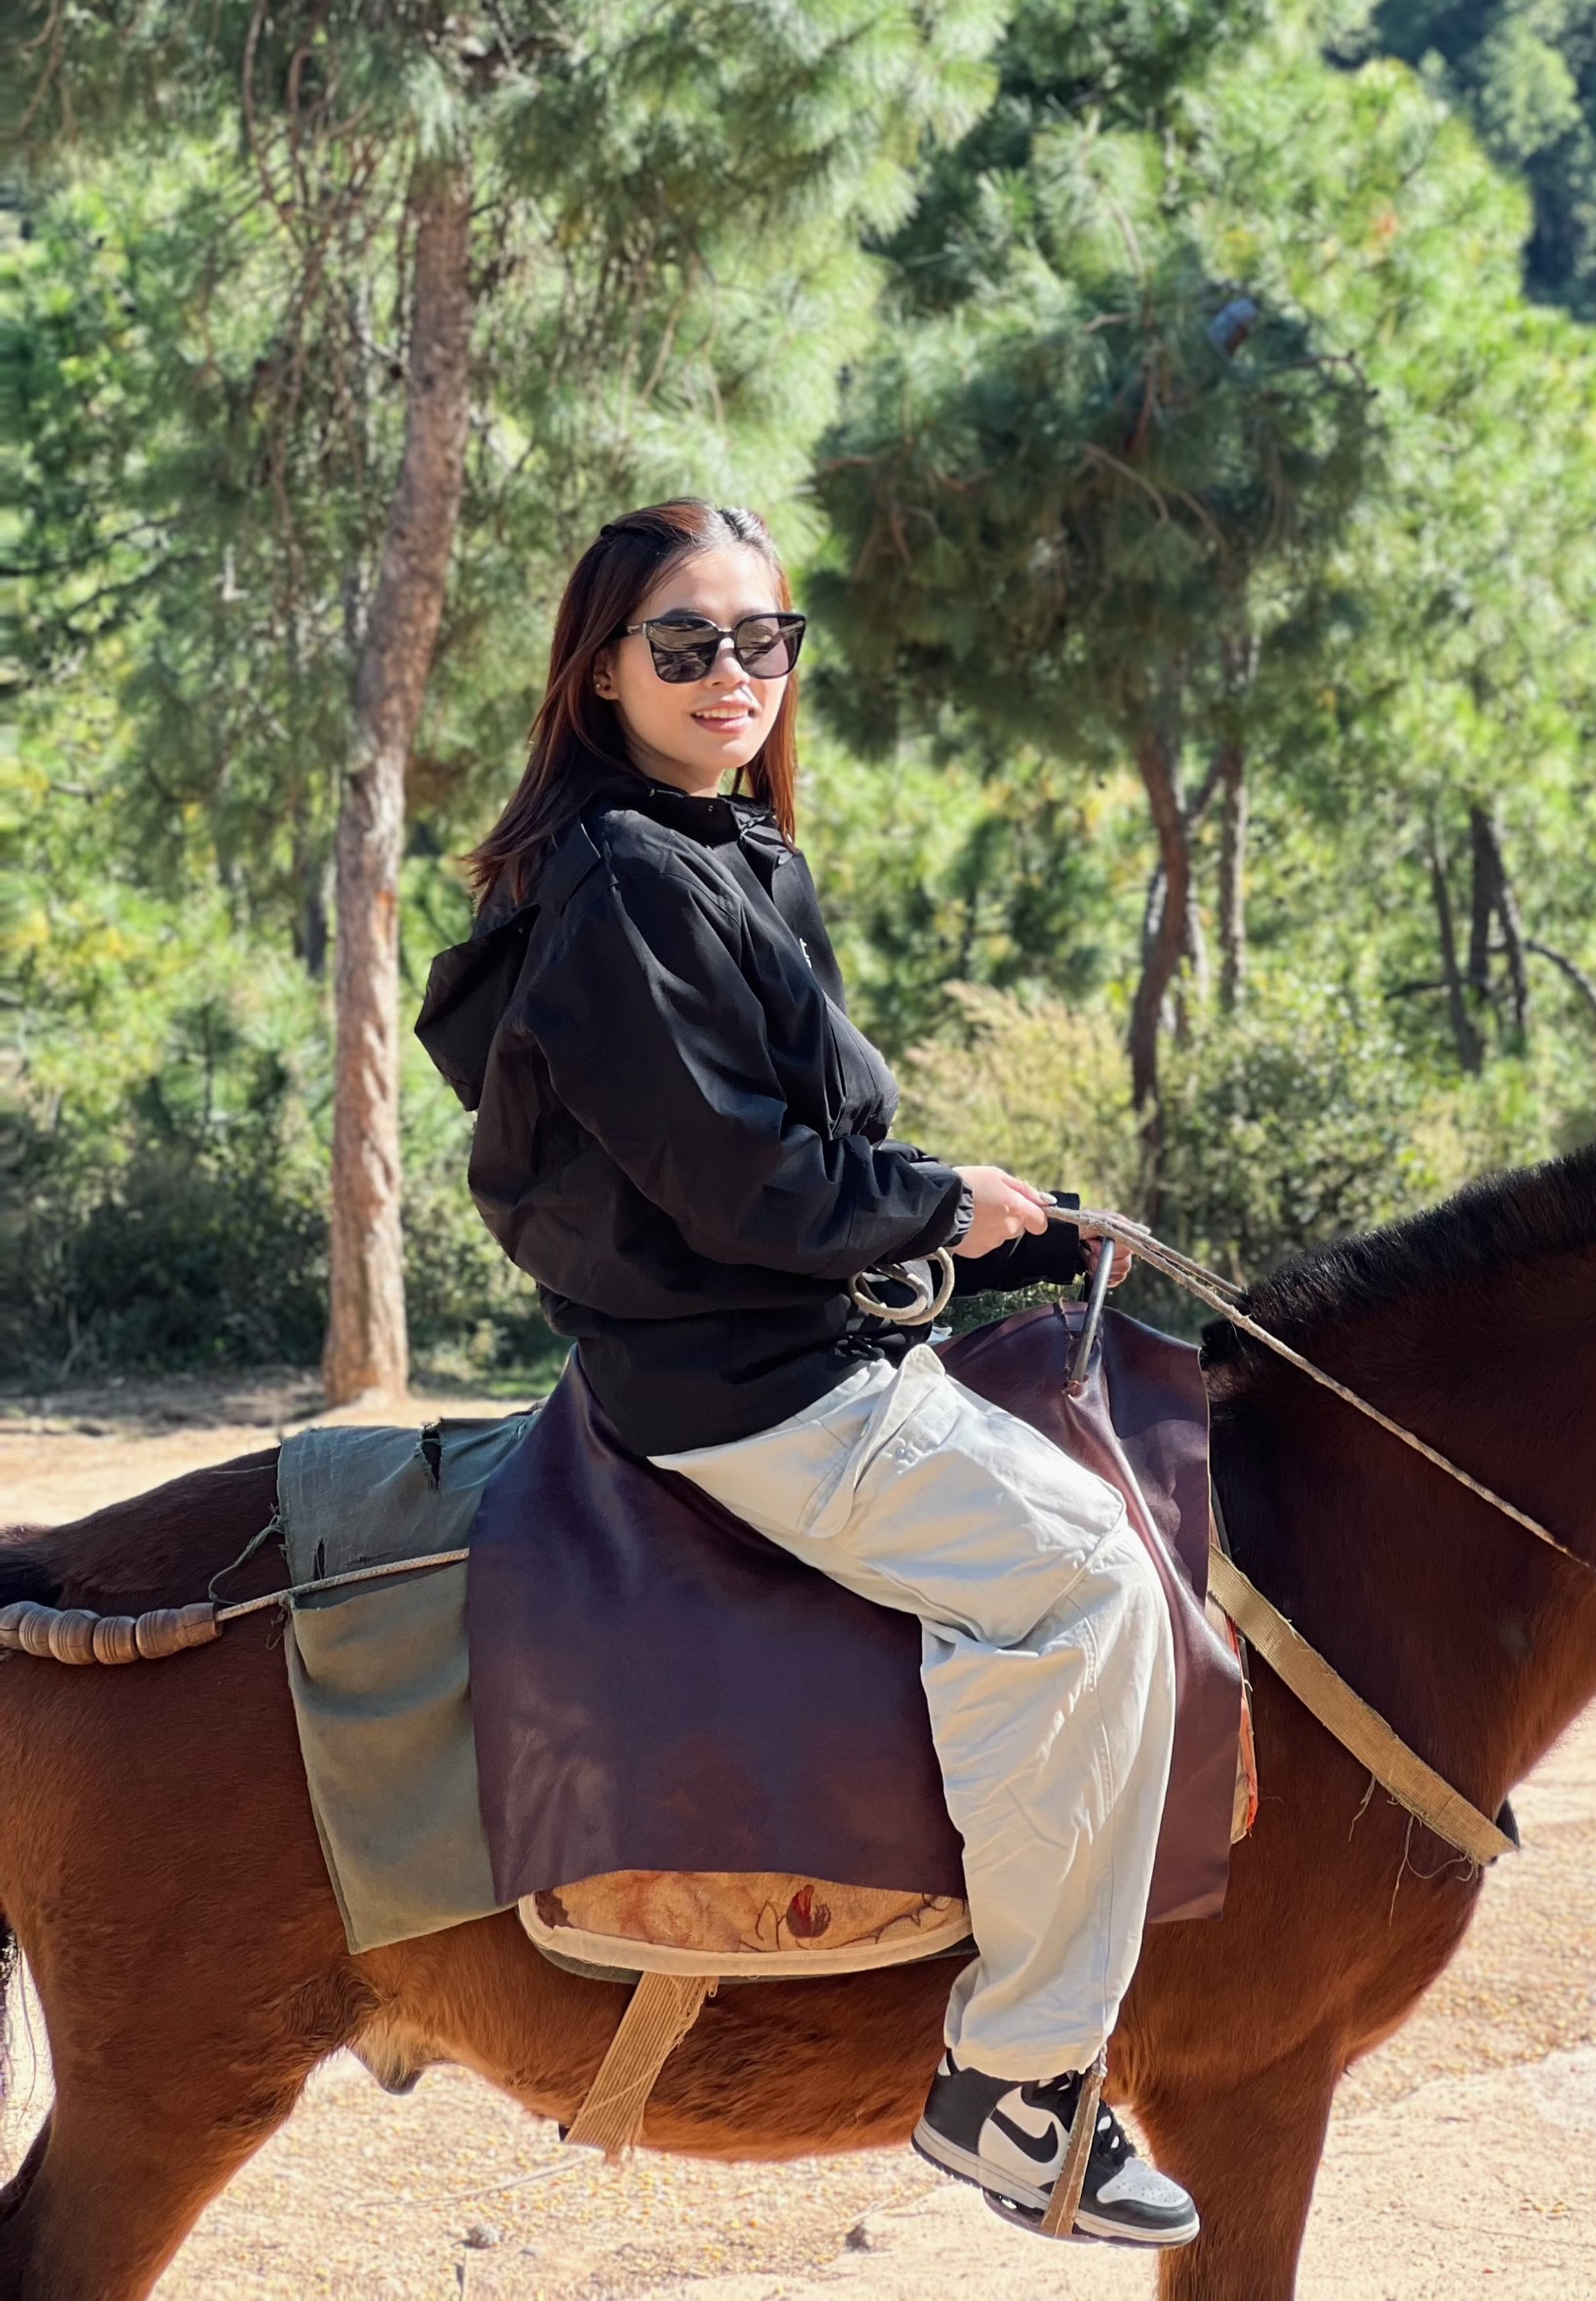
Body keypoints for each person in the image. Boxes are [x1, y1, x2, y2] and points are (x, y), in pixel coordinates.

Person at [416, 500, 1197, 2248]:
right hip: (762, 1383)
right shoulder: (626, 879)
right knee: (1087, 1584)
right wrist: (946, 1205)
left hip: (789, 1323)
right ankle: (1018, 2087)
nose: (731, 676)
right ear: (600, 669)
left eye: (763, 640)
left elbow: (795, 1147)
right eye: (683, 645)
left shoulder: (719, 846)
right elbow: (739, 1183)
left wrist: (1010, 1227)